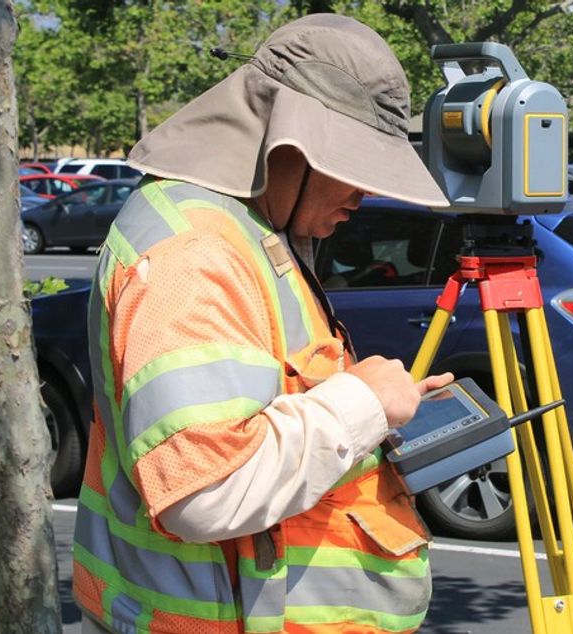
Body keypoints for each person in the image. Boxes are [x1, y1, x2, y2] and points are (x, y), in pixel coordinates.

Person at [72, 14, 453, 633]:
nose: (364, 195)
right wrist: (362, 403)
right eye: (353, 166)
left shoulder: (246, 230)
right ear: (288, 146)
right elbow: (206, 489)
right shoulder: (195, 253)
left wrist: (378, 406)